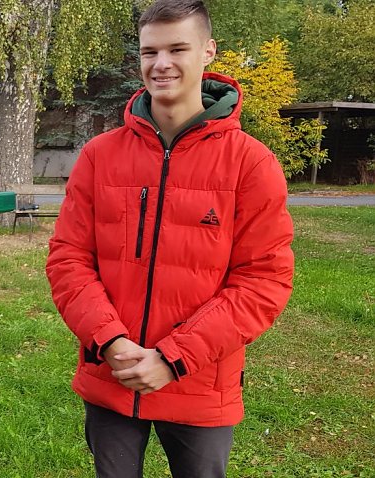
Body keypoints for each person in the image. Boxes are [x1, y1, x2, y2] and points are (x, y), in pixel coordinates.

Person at [45, 1, 294, 477]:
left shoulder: (251, 164)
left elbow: (264, 281)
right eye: (149, 51)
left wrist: (173, 358)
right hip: (112, 374)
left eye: (178, 48)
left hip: (201, 383)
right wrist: (111, 342)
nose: (161, 64)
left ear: (208, 51)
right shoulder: (100, 156)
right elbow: (68, 259)